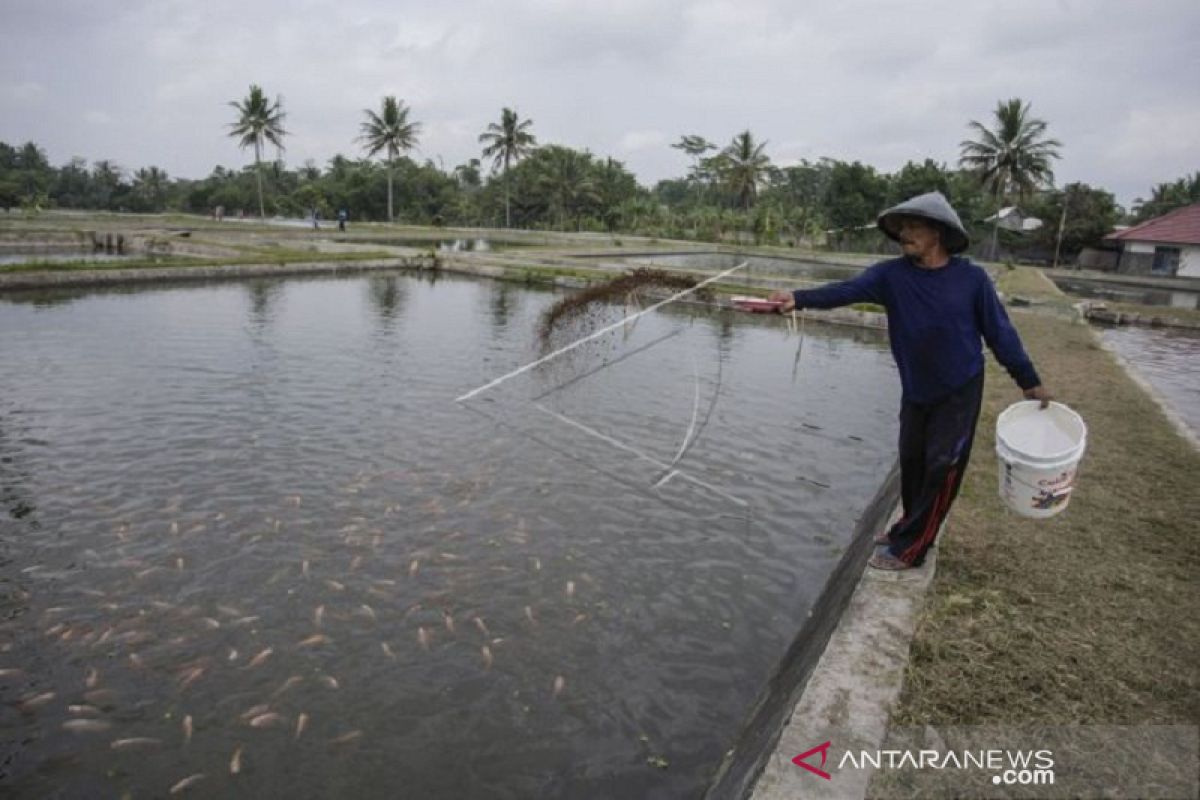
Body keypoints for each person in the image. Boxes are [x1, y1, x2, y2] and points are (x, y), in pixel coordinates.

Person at [768, 191, 1051, 571]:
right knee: (913, 460)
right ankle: (906, 527)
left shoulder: (971, 280)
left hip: (959, 387)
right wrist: (797, 298)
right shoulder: (890, 276)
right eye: (902, 227)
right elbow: (845, 291)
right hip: (917, 387)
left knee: (942, 466)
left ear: (938, 233)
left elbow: (1000, 333)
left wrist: (1028, 380)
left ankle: (913, 549)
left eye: (914, 226)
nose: (905, 234)